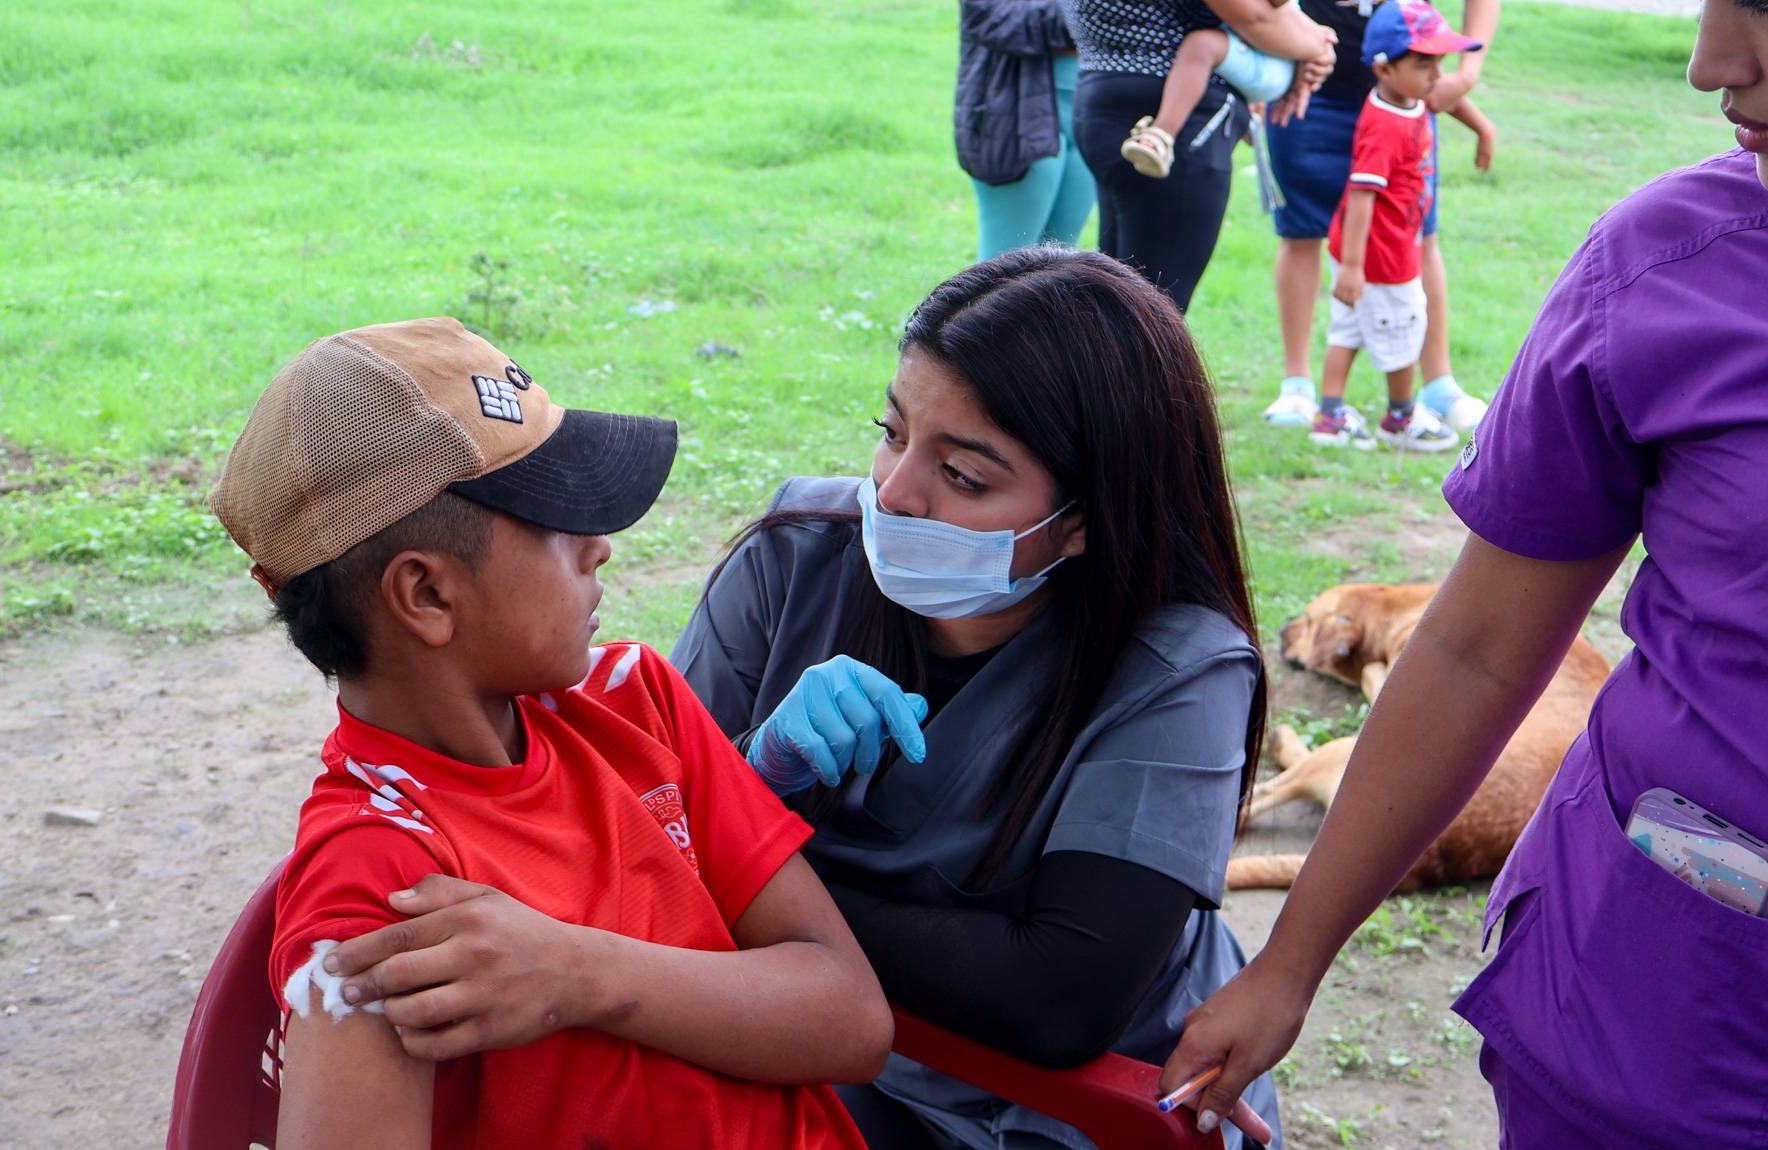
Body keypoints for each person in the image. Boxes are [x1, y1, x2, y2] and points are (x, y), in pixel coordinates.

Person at [1161, 1, 1768, 1144]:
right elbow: (1477, 646)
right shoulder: (1666, 264)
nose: (1709, 65)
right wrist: (1288, 965)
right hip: (1642, 1014)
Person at [207, 318, 890, 1148]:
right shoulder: (380, 896)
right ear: (426, 595)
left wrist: (578, 973)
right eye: (558, 519)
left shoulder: (634, 701)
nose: (599, 547)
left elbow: (853, 1020)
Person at [669, 248, 1280, 1148]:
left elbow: (1058, 1000)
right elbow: (632, 842)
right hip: (823, 1051)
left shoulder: (1175, 670)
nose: (894, 493)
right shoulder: (793, 559)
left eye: (964, 476)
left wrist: (741, 852)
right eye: (891, 431)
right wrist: (753, 770)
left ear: (1083, 521)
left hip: (1067, 1116)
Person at [1261, 0, 1499, 430]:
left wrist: (1465, 78)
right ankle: (1299, 387)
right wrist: (1277, 49)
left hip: (1408, 85)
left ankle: (1438, 385)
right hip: (1310, 86)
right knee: (1301, 233)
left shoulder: (1420, 76)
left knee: (1420, 237)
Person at [1069, 0, 1336, 310]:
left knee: (1119, 295)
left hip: (1102, 97)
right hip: (1172, 120)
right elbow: (1256, 16)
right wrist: (1318, 44)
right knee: (1152, 309)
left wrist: (1309, 41)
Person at [957, 1, 1097, 259]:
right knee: (1003, 264)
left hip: (1088, 117)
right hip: (1017, 119)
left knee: (1064, 264)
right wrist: (1094, 15)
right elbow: (993, 17)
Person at [1119, 1, 1303, 179]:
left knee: (1202, 46)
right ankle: (1248, 118)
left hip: (1273, 58)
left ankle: (1161, 135)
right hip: (1259, 48)